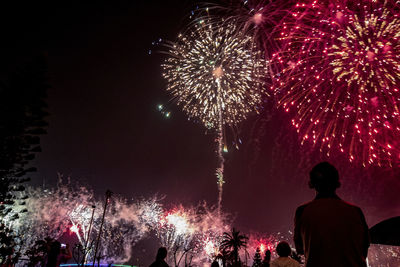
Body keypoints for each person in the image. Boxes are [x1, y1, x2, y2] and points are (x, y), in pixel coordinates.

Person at [294, 162, 370, 267]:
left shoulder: (303, 211)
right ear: (337, 183)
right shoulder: (356, 211)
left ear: (312, 184)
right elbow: (364, 248)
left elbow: (300, 249)